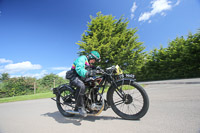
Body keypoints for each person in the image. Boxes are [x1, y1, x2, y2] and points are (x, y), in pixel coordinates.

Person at [68, 51, 101, 117]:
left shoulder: (88, 63)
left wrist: (99, 70)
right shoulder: (82, 59)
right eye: (94, 60)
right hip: (74, 76)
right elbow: (79, 69)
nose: (94, 62)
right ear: (91, 57)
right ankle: (80, 107)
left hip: (81, 77)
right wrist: (88, 73)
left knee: (94, 84)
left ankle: (92, 104)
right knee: (81, 86)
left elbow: (91, 69)